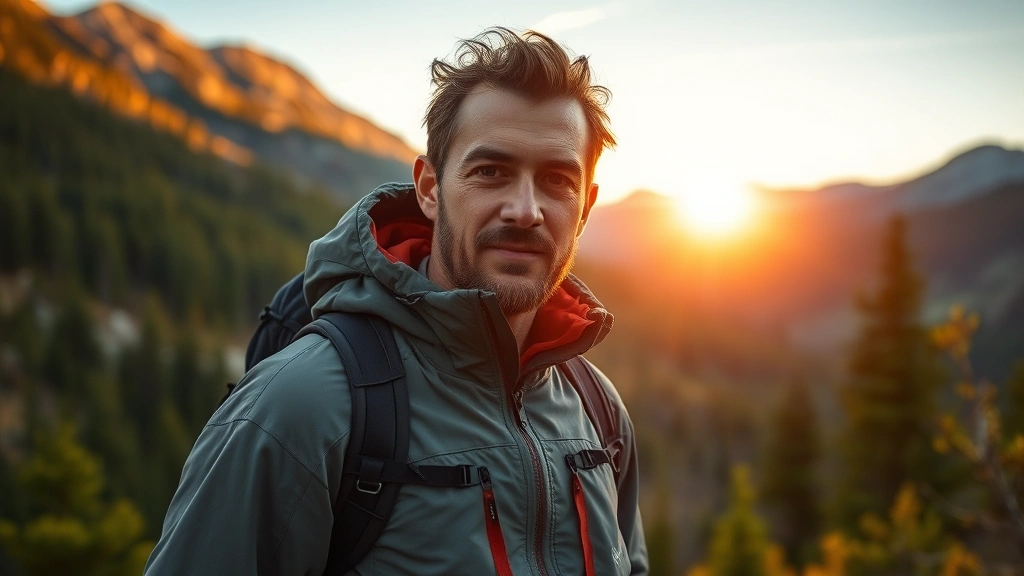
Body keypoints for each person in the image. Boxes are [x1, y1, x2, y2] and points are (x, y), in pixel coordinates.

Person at [144, 27, 648, 575]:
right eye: (491, 172)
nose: (525, 209)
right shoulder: (303, 408)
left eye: (556, 179)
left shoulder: (598, 413)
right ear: (430, 189)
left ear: (586, 205)